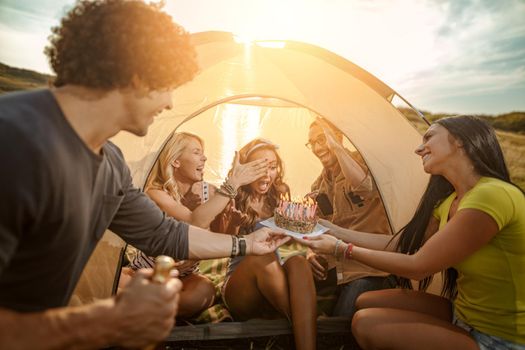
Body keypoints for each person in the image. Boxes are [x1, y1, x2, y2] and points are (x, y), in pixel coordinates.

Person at [0, 1, 288, 348]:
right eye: (167, 85)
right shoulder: (14, 143)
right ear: (137, 75)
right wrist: (109, 320)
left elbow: (163, 233)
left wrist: (246, 244)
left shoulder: (110, 164)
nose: (168, 102)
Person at [299, 116, 525, 349]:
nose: (418, 148)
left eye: (428, 137)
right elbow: (402, 244)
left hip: (498, 337)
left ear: (459, 141)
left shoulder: (492, 195)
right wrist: (335, 232)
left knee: (365, 324)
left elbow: (418, 266)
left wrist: (341, 249)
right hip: (463, 314)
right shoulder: (448, 202)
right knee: (365, 302)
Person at [126, 132, 268, 318]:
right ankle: (145, 308)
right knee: (113, 285)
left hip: (187, 276)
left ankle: (143, 308)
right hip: (147, 273)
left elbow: (219, 238)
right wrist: (233, 182)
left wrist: (232, 225)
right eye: (196, 152)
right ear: (175, 161)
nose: (205, 158)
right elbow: (192, 222)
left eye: (203, 153)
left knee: (204, 293)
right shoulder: (156, 193)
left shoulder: (210, 192)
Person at [222, 139, 318, 350]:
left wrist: (309, 253)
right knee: (262, 258)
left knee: (298, 261)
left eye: (272, 167)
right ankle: (308, 322)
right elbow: (221, 243)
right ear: (245, 168)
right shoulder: (232, 197)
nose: (267, 174)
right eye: (259, 167)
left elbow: (289, 240)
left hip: (276, 281)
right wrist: (233, 227)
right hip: (242, 288)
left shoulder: (280, 194)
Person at [306, 119, 395, 317]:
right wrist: (310, 255)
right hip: (335, 269)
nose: (317, 147)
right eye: (311, 143)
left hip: (370, 269)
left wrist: (337, 148)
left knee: (342, 321)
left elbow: (365, 187)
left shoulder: (363, 164)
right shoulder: (318, 186)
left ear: (338, 136)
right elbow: (318, 231)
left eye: (322, 139)